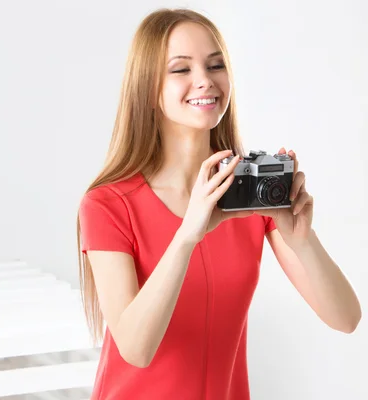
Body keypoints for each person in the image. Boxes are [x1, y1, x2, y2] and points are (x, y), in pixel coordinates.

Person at [76, 7, 362, 400]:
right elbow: (136, 350)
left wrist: (301, 240)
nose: (205, 81)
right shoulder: (107, 205)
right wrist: (186, 236)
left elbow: (346, 318)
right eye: (181, 69)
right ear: (148, 88)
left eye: (216, 65)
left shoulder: (247, 196)